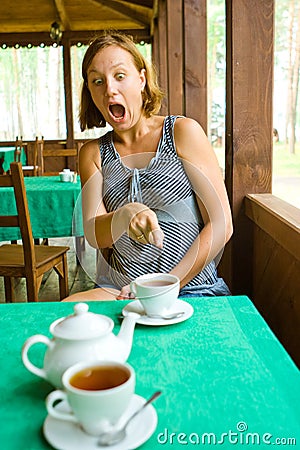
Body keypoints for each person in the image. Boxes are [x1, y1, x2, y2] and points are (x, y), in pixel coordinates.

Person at [64, 32, 233, 302]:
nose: (109, 89)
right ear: (91, 93)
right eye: (98, 81)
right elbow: (95, 235)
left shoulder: (182, 132)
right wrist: (124, 215)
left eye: (120, 76)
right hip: (123, 292)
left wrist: (168, 283)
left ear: (141, 79)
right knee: (63, 313)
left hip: (192, 290)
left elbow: (222, 224)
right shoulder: (92, 154)